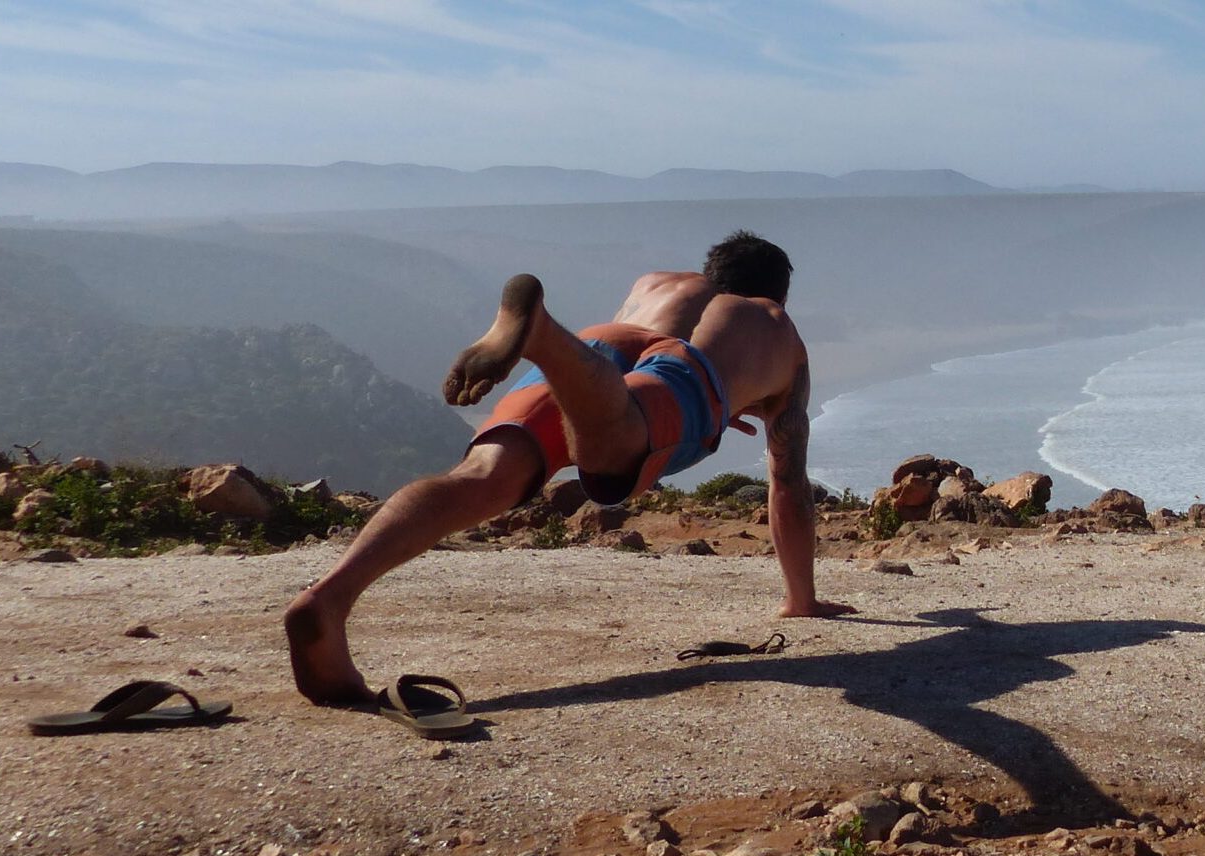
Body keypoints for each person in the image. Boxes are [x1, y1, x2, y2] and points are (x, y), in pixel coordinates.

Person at [284, 231, 855, 705]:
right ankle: (540, 336)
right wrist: (800, 599)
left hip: (597, 351)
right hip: (680, 379)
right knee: (615, 457)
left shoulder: (657, 284)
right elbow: (787, 479)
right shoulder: (773, 324)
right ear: (777, 293)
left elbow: (641, 355)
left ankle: (329, 597)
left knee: (479, 479)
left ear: (710, 270)